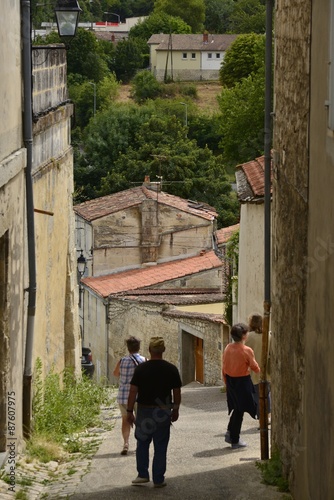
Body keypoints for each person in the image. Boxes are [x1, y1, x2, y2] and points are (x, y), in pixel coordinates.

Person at [126, 336, 182, 488]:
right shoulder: (171, 369)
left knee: (142, 443)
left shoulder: (141, 369)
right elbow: (176, 393)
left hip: (144, 410)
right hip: (162, 412)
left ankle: (142, 475)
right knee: (161, 445)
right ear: (163, 350)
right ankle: (158, 478)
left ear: (149, 350)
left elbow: (132, 392)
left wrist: (129, 411)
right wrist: (175, 409)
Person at [223, 323, 260, 449]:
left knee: (237, 408)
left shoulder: (228, 348)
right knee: (241, 409)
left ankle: (230, 432)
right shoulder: (246, 350)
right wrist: (260, 371)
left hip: (231, 381)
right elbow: (255, 367)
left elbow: (224, 366)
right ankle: (234, 439)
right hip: (242, 382)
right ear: (244, 336)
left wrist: (226, 382)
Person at [113, 336, 146, 455]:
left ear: (128, 348)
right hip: (139, 396)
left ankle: (126, 443)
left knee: (125, 420)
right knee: (140, 420)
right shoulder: (144, 360)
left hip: (123, 396)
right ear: (139, 347)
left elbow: (116, 373)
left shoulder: (122, 361)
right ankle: (140, 444)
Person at [245, 313, 271, 423]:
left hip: (253, 372)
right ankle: (266, 416)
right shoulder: (268, 335)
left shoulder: (248, 337)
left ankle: (262, 418)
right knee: (266, 394)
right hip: (267, 371)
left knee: (257, 396)